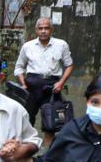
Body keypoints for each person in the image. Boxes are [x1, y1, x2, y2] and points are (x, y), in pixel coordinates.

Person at [14, 17, 74, 145]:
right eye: (40, 28)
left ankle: (48, 151)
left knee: (50, 122)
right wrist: (23, 84)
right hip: (31, 87)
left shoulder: (61, 45)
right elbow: (19, 67)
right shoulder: (27, 46)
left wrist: (61, 83)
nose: (43, 31)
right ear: (36, 30)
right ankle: (27, 148)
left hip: (52, 88)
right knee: (26, 118)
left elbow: (69, 65)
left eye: (46, 28)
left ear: (52, 29)